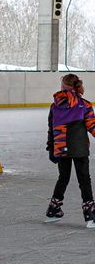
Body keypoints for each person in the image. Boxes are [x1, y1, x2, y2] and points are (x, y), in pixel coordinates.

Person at [45, 73, 95, 228]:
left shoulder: (55, 106)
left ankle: (54, 210)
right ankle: (90, 215)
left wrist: (51, 148)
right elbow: (93, 127)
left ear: (63, 86)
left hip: (61, 146)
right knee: (84, 179)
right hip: (79, 147)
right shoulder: (85, 105)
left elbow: (51, 128)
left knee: (63, 177)